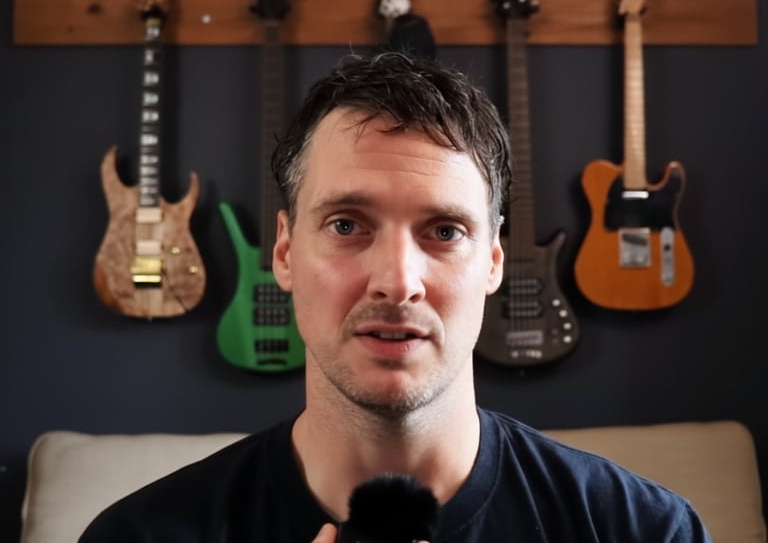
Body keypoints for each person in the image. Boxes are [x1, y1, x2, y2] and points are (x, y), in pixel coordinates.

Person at [79, 51, 712, 543]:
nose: (398, 281)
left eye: (445, 231)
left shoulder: (646, 530)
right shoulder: (137, 536)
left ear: (493, 261)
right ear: (284, 253)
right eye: (346, 225)